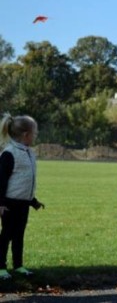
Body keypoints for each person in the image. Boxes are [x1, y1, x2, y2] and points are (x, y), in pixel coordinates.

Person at [0, 114, 45, 280]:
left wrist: (33, 200)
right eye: (35, 133)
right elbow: (2, 181)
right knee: (6, 235)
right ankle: (1, 267)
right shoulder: (9, 153)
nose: (35, 136)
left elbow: (25, 181)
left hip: (23, 204)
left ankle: (18, 265)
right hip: (9, 203)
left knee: (19, 235)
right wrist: (1, 203)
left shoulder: (29, 153)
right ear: (26, 134)